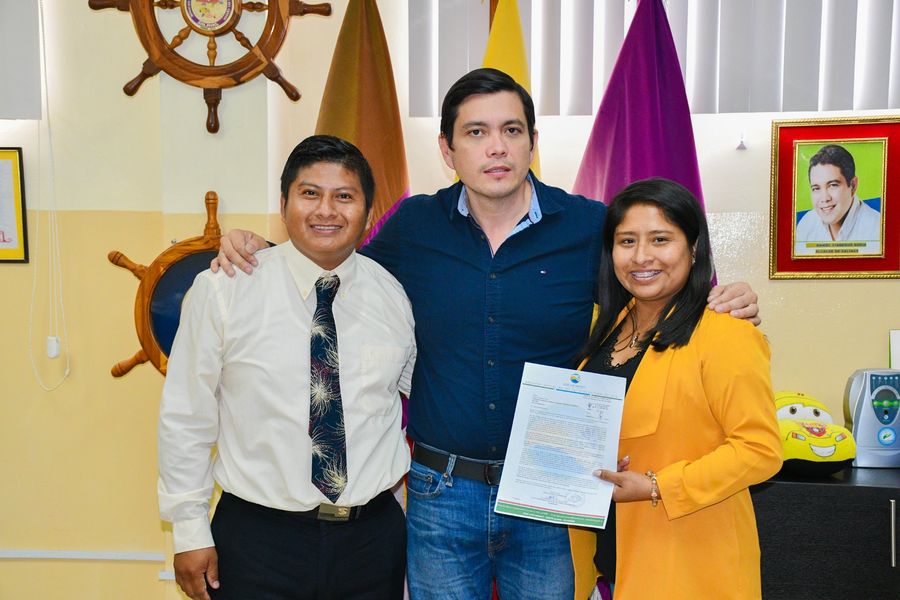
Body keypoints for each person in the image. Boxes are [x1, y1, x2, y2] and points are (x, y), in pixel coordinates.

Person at [212, 68, 761, 600]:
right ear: (448, 150)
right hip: (440, 492)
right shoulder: (414, 226)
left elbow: (657, 281)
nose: (496, 147)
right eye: (476, 132)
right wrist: (264, 249)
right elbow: (339, 272)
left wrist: (726, 296)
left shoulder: (589, 226)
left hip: (551, 494)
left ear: (532, 143)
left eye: (511, 130)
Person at [158, 135, 416, 600]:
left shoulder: (392, 296)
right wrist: (189, 530)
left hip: (371, 542)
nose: (326, 210)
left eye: (344, 196)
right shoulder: (224, 289)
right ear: (283, 204)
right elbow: (186, 415)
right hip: (257, 540)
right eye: (309, 193)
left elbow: (422, 394)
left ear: (368, 212)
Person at [579, 178, 782, 599]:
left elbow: (760, 450)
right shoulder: (607, 326)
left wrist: (658, 486)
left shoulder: (726, 333)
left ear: (692, 248)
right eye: (627, 241)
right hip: (608, 562)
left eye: (660, 239)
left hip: (690, 565)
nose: (641, 256)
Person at [795, 144, 881, 248]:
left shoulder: (877, 230)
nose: (824, 198)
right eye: (816, 188)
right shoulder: (805, 225)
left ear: (853, 186)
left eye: (833, 185)